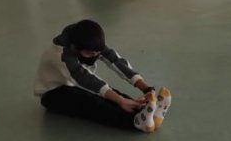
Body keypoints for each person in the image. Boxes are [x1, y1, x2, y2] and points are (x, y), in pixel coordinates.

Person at [34, 19, 171, 133]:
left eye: (97, 53)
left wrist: (146, 88)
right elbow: (84, 78)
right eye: (90, 54)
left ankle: (147, 112)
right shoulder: (60, 55)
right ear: (75, 48)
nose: (94, 56)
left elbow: (116, 61)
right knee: (93, 103)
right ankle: (135, 122)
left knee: (113, 95)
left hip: (74, 84)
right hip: (53, 93)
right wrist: (119, 100)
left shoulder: (90, 43)